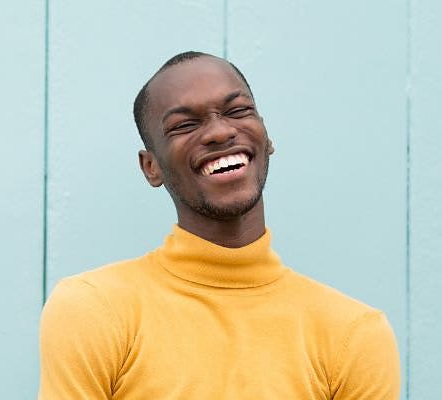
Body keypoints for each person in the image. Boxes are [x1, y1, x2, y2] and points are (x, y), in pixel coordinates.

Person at [38, 51, 400, 399]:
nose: (219, 132)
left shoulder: (353, 333)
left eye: (238, 110)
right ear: (152, 167)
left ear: (267, 138)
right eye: (184, 125)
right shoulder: (95, 309)